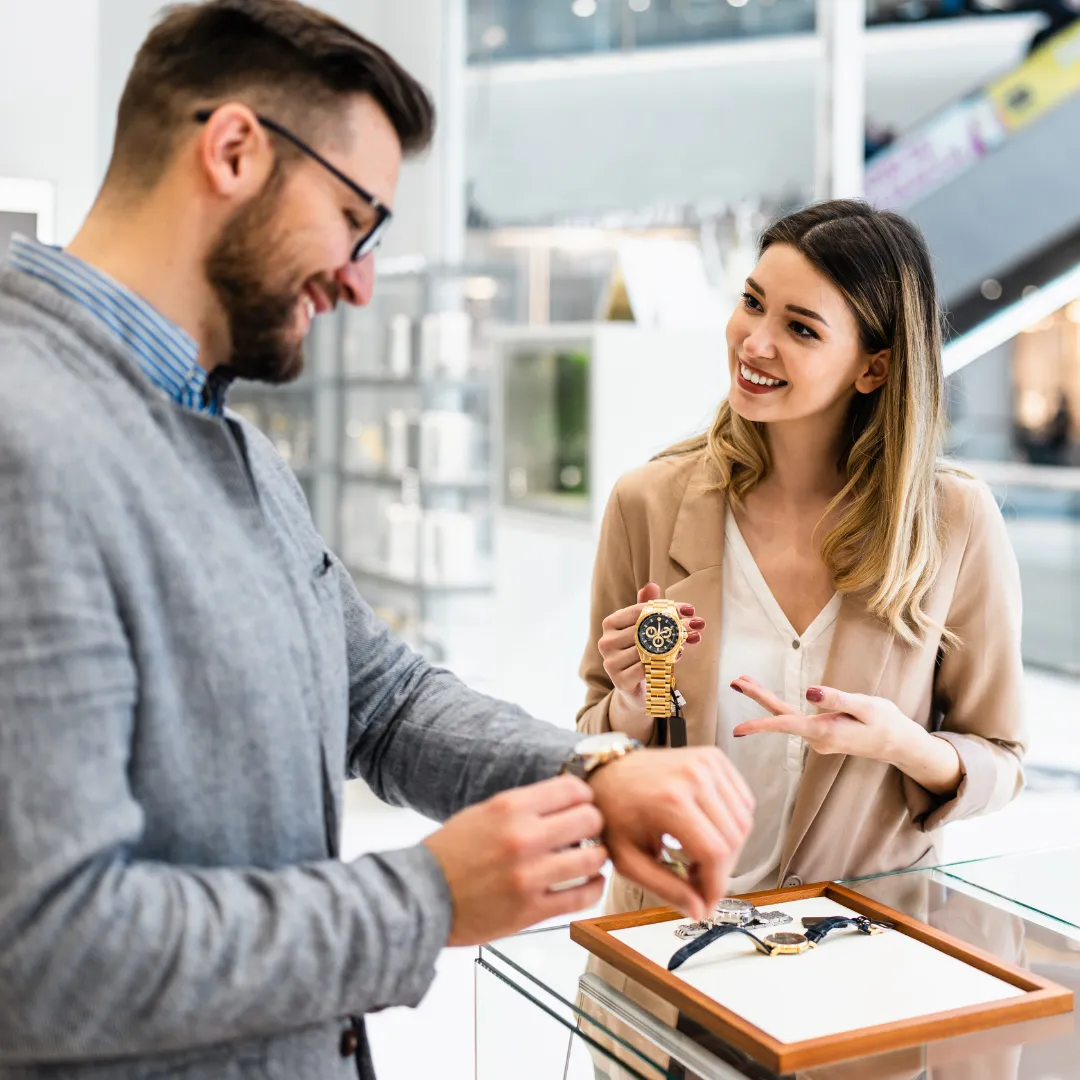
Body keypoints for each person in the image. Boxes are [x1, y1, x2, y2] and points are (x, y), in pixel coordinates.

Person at [0, 3, 754, 1078]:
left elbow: (382, 697)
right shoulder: (23, 434)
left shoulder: (237, 450)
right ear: (232, 150)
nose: (359, 278)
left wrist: (593, 774)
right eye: (355, 216)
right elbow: (47, 955)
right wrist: (428, 897)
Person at [578, 199, 1026, 921]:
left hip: (858, 943)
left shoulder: (955, 521)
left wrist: (904, 746)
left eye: (800, 328)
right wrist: (631, 701)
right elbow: (596, 739)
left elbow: (1000, 759)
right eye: (752, 304)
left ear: (874, 369)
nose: (754, 343)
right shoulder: (648, 502)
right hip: (669, 932)